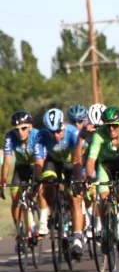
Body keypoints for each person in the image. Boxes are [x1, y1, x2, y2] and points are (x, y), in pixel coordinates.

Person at [85, 106, 119, 245]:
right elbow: (91, 159)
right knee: (104, 198)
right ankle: (106, 231)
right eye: (108, 126)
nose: (111, 129)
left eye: (114, 126)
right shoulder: (98, 135)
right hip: (106, 165)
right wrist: (89, 176)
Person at [34, 108, 84, 257]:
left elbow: (78, 160)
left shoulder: (73, 132)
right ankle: (55, 209)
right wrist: (38, 182)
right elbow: (38, 162)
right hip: (53, 162)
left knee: (74, 198)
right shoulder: (41, 135)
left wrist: (78, 181)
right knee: (47, 182)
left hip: (71, 163)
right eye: (51, 132)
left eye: (58, 131)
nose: (55, 135)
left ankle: (77, 238)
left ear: (63, 125)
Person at [1, 111, 40, 252]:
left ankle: (41, 225)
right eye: (16, 129)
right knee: (15, 197)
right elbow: (6, 161)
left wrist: (37, 182)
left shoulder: (37, 135)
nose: (20, 132)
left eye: (23, 128)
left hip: (36, 166)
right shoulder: (10, 137)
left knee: (40, 192)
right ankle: (20, 232)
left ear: (30, 127)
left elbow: (39, 161)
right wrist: (3, 180)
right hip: (21, 167)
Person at [72, 103, 104, 239]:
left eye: (100, 126)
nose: (96, 129)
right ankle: (93, 219)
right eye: (94, 125)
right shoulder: (85, 132)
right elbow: (77, 157)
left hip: (105, 160)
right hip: (90, 161)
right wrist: (82, 136)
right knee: (89, 185)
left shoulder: (111, 130)